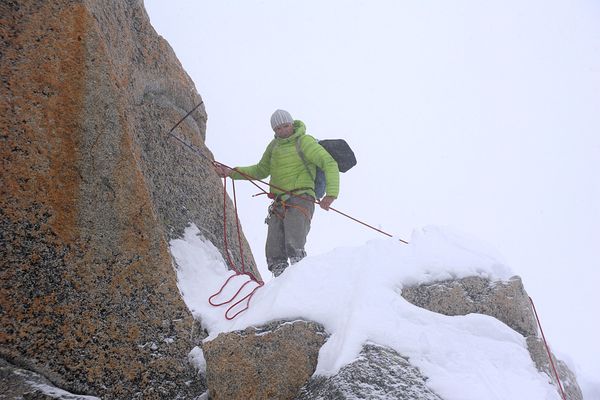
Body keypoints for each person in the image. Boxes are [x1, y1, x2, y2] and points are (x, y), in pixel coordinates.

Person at [215, 109, 340, 277]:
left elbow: (328, 162)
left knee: (294, 242)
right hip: (279, 201)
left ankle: (300, 276)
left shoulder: (304, 141)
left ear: (292, 123)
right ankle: (280, 279)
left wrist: (331, 195)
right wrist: (231, 172)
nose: (282, 131)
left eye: (285, 126)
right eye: (278, 129)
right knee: (274, 249)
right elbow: (260, 170)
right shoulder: (273, 146)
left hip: (301, 198)